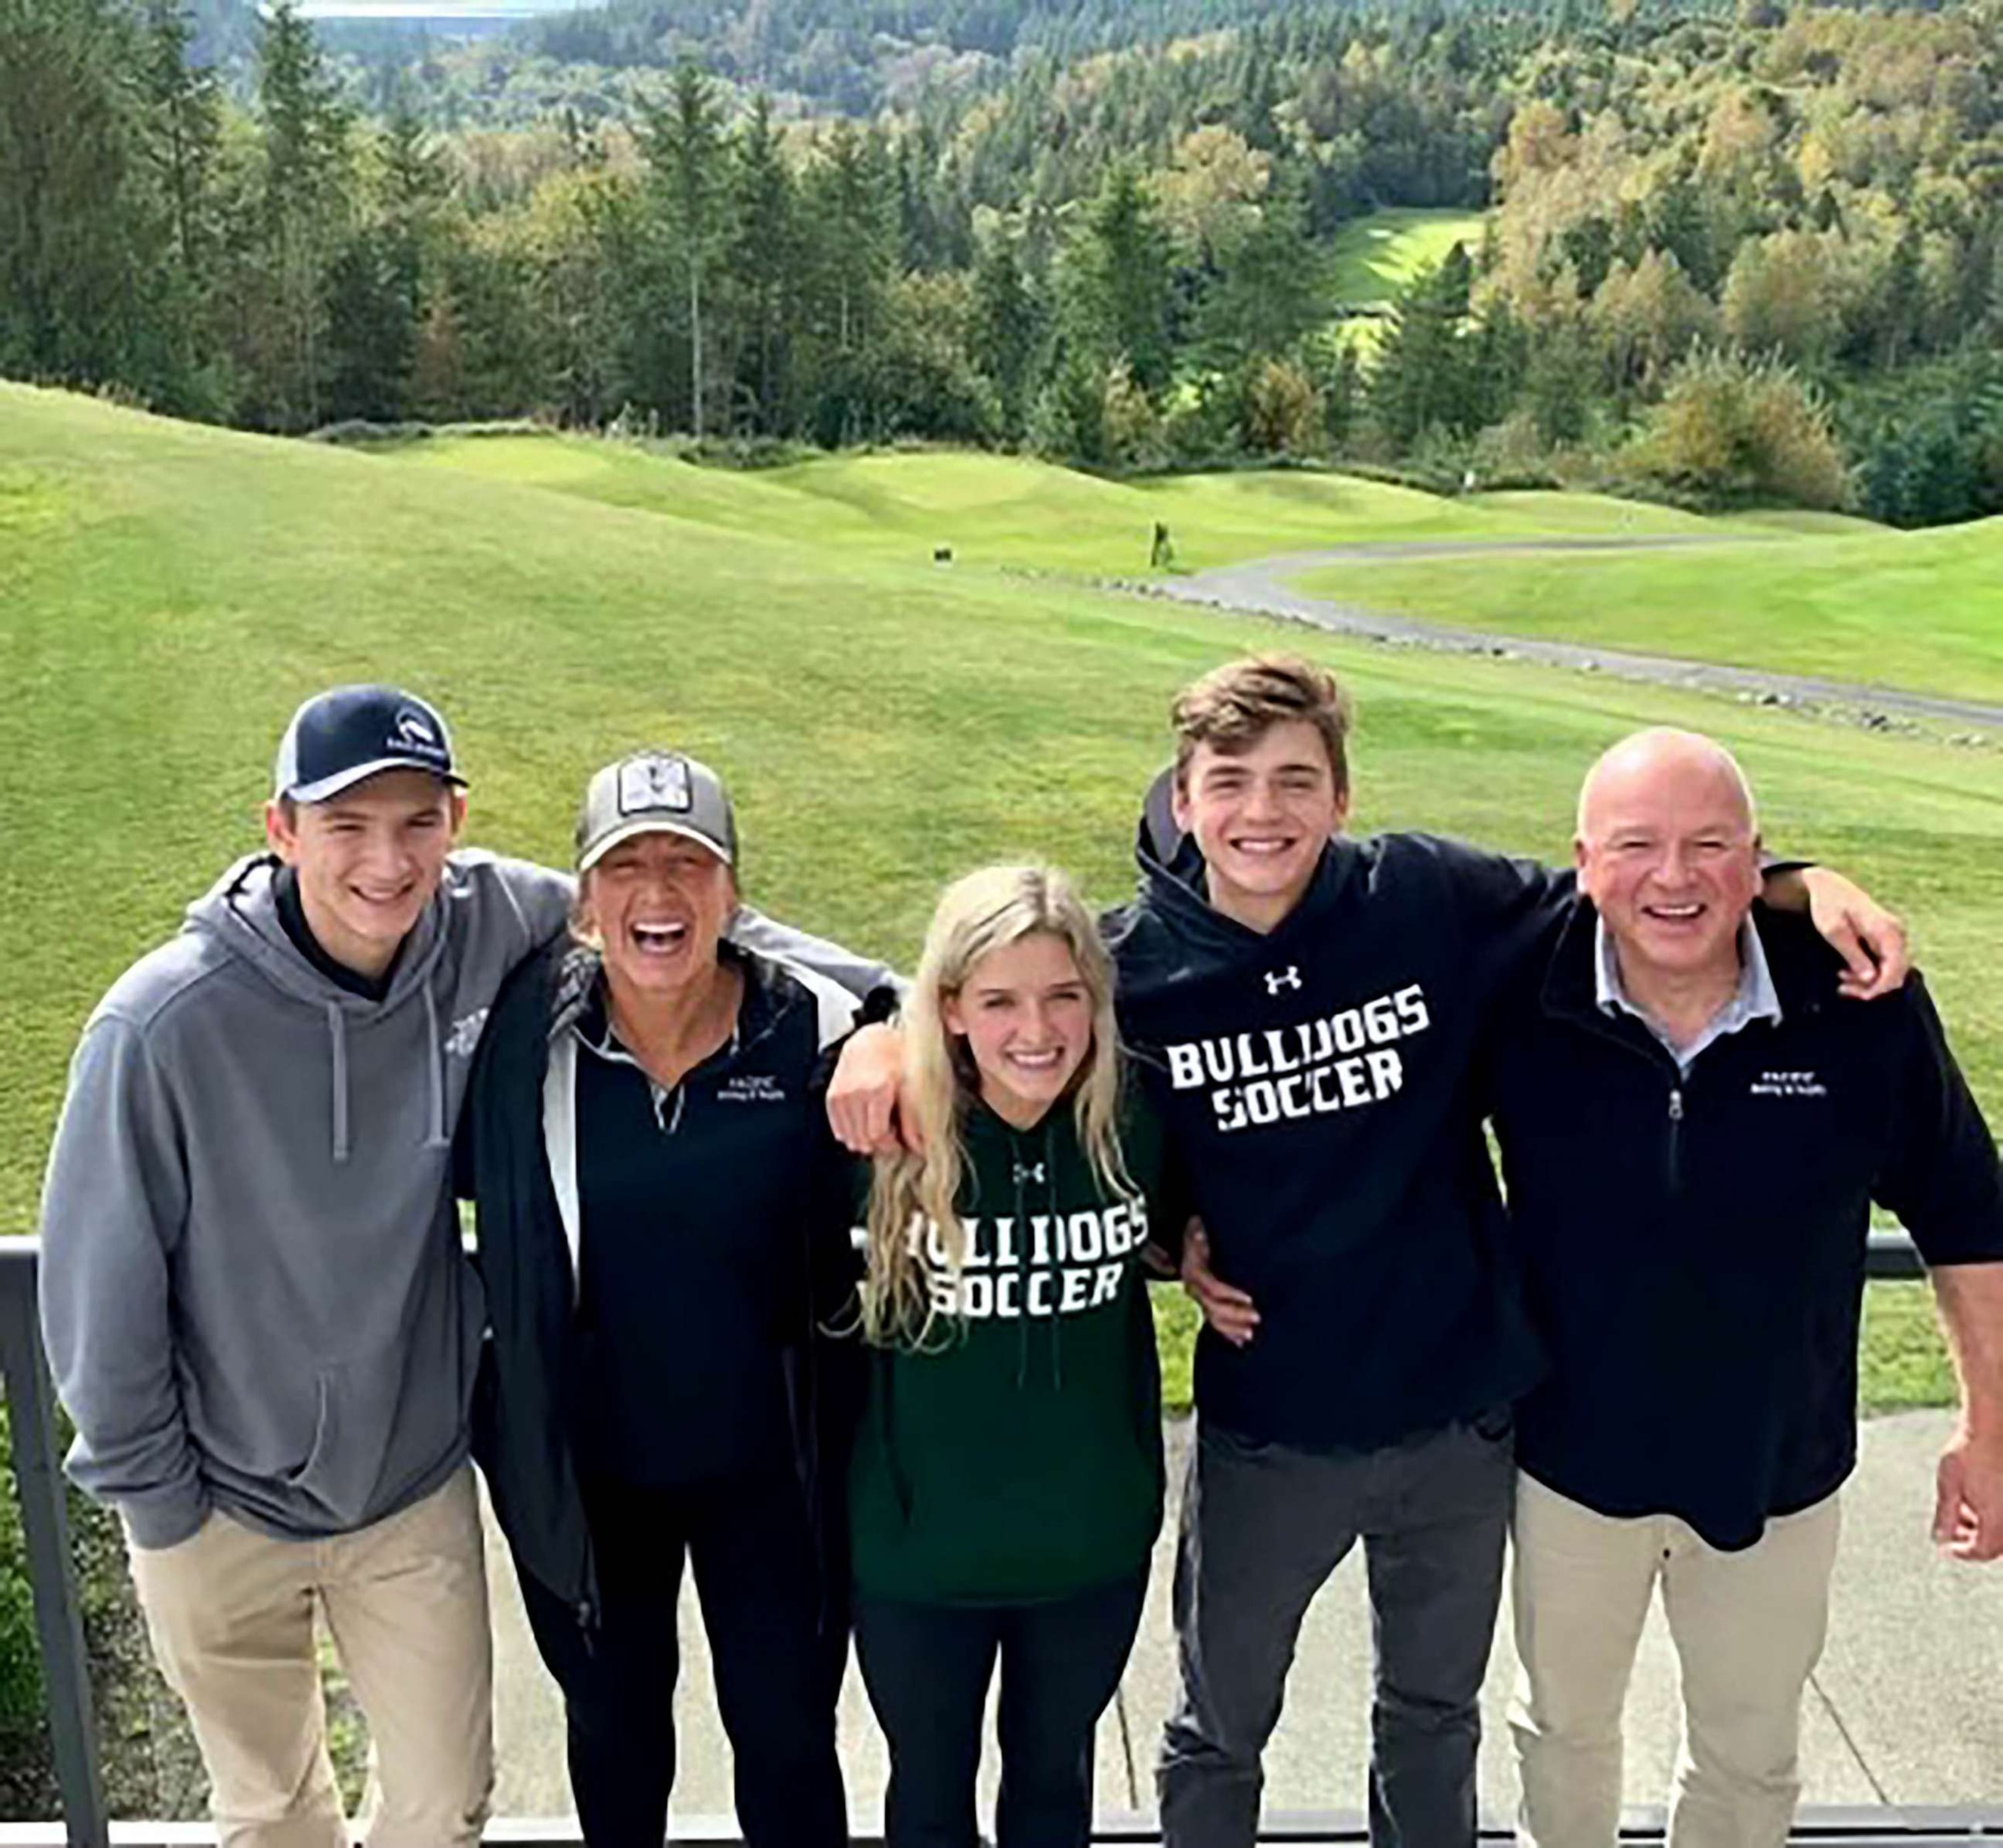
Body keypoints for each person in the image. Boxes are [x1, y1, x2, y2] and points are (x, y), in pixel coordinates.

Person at [829, 653, 1908, 1848]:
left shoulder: (1426, 898)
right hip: (1269, 1426)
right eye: (1229, 782)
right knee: (1219, 1726)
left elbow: (1639, 880)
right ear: (1182, 804)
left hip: (1454, 1417)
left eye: (1298, 781)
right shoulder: (1132, 976)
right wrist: (886, 1031)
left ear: (1343, 797)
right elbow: (1003, 1006)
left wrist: (1800, 881)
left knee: (1432, 1718)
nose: (1262, 813)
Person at [37, 690, 894, 1848]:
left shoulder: (507, 929)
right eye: (347, 826)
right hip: (239, 1499)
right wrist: (158, 1505)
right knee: (276, 1812)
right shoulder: (168, 1023)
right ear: (280, 830)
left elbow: (702, 930)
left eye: (415, 825)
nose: (386, 861)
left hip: (427, 1486)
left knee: (451, 1808)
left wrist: (885, 1011)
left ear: (455, 824)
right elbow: (97, 1286)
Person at [1484, 728, 2003, 1848]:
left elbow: (1968, 1213)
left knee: (1749, 1755)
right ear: (1582, 862)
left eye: (1710, 847)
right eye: (1638, 846)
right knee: (1560, 1734)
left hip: (1780, 1464)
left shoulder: (1862, 1002)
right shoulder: (1523, 982)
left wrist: (1990, 1429)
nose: (1674, 878)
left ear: (1756, 860)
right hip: (1571, 1463)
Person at [459, 748, 870, 1848]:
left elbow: (965, 1024)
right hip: (591, 1485)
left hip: (772, 1480)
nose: (658, 893)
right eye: (624, 865)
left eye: (688, 862)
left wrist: (893, 1024)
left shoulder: (819, 1033)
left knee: (787, 1741)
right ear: (583, 899)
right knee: (615, 1742)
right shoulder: (520, 1050)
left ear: (734, 891)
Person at [847, 863, 1178, 1848]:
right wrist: (873, 1037)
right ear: (949, 1009)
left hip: (1088, 1544)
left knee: (1052, 1787)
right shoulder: (880, 1130)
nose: (1036, 1032)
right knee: (929, 1796)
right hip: (918, 1555)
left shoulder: (1135, 1117)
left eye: (1063, 997)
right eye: (999, 1001)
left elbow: (1199, 1224)